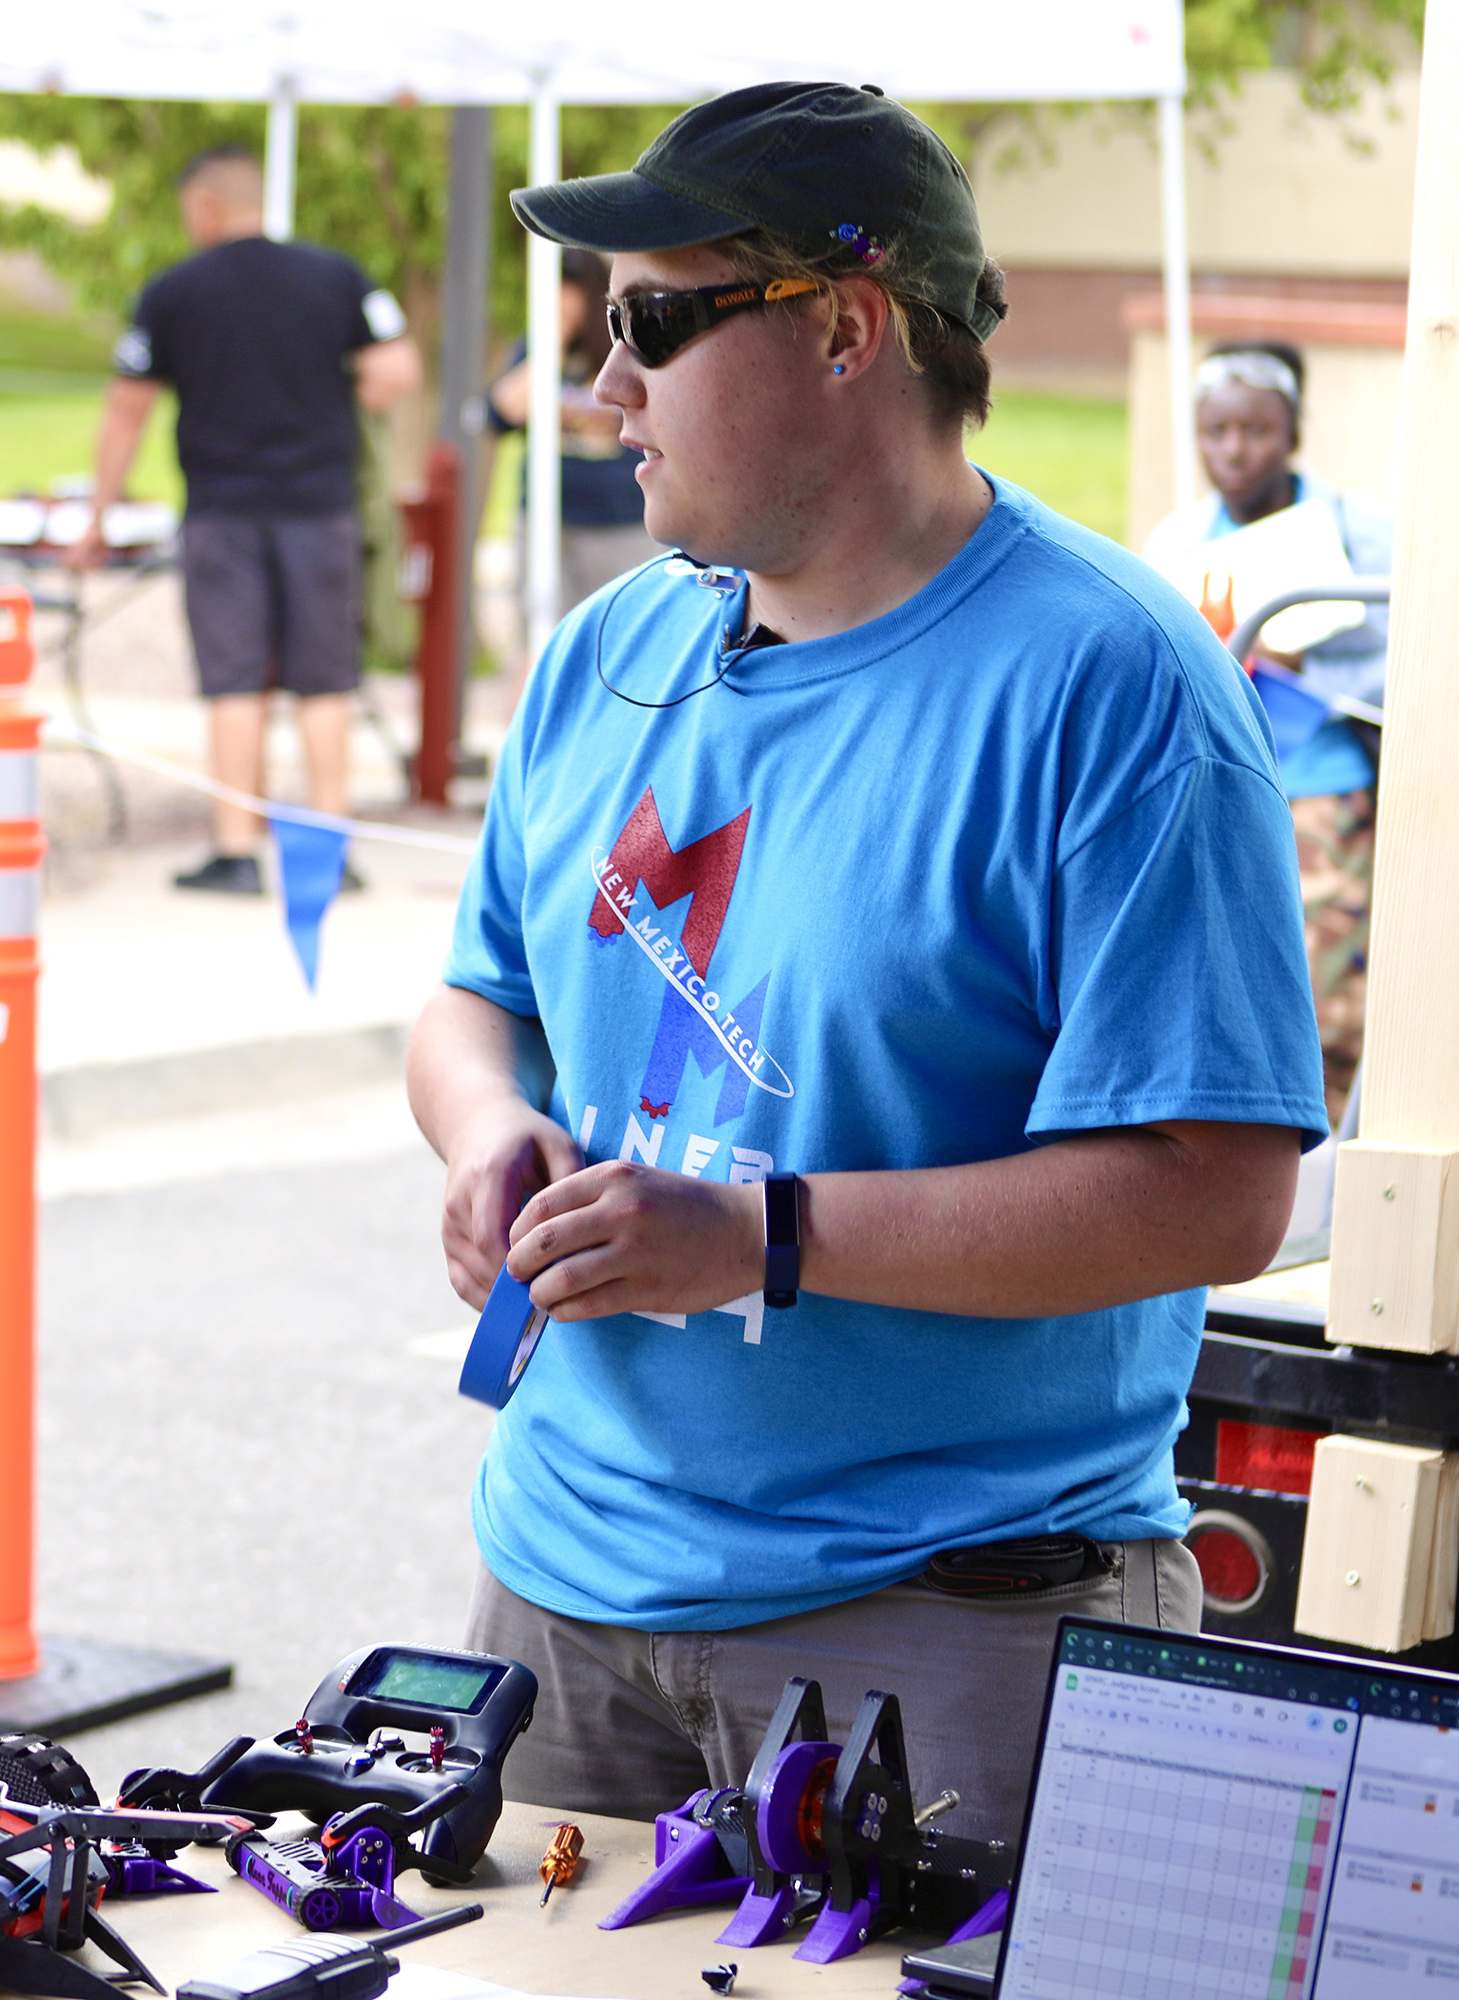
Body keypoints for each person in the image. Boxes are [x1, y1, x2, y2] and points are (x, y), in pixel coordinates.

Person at [410, 82, 1324, 1847]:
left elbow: (1219, 1193)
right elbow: (478, 1003)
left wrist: (770, 1238)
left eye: (654, 326)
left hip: (949, 1618)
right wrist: (482, 1136)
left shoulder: (1110, 688)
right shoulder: (615, 647)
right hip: (560, 1591)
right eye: (605, 331)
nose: (605, 388)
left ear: (847, 329)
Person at [74, 143, 420, 895]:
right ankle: (328, 849)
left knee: (235, 680)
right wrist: (328, 402)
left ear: (204, 206)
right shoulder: (334, 274)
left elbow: (127, 407)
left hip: (223, 512)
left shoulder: (173, 290)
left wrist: (100, 513)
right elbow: (396, 370)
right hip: (320, 505)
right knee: (325, 679)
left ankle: (236, 850)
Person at [1141, 341, 1390, 1123]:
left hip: (1322, 787)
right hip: (1220, 789)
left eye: (1256, 430)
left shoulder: (1359, 533)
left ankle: (1326, 1170)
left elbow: (1405, 651)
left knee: (1326, 994)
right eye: (1216, 432)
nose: (1235, 450)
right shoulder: (1179, 544)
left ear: (1294, 432)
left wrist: (1296, 652)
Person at [482, 247, 662, 680]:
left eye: (570, 289)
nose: (561, 299)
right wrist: (552, 344)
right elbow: (502, 413)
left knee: (628, 651)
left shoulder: (623, 348)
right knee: (541, 648)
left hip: (620, 525)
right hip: (547, 524)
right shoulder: (540, 350)